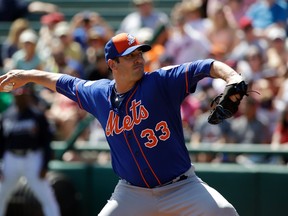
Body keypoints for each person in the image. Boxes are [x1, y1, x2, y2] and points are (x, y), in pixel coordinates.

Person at [0, 32, 242, 216]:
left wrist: (233, 77)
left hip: (181, 187)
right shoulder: (98, 93)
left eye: (139, 54)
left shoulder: (160, 82)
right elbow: (62, 81)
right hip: (132, 193)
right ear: (112, 64)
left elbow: (206, 66)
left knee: (225, 212)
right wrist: (28, 75)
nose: (138, 59)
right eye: (130, 56)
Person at [0, 85, 60, 216]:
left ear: (28, 96)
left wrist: (45, 165)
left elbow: (46, 142)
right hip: (11, 159)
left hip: (32, 158)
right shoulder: (7, 116)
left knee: (47, 197)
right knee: (1, 195)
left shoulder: (37, 115)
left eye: (23, 94)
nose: (20, 96)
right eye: (18, 94)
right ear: (14, 96)